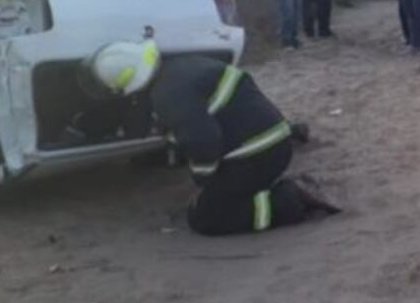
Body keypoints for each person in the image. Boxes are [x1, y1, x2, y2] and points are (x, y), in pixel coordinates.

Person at [82, 40, 339, 236]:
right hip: (273, 141)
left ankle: (287, 202)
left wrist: (204, 179)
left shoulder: (167, 96)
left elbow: (204, 143)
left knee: (205, 218)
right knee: (222, 189)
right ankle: (272, 190)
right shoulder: (183, 67)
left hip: (257, 155)